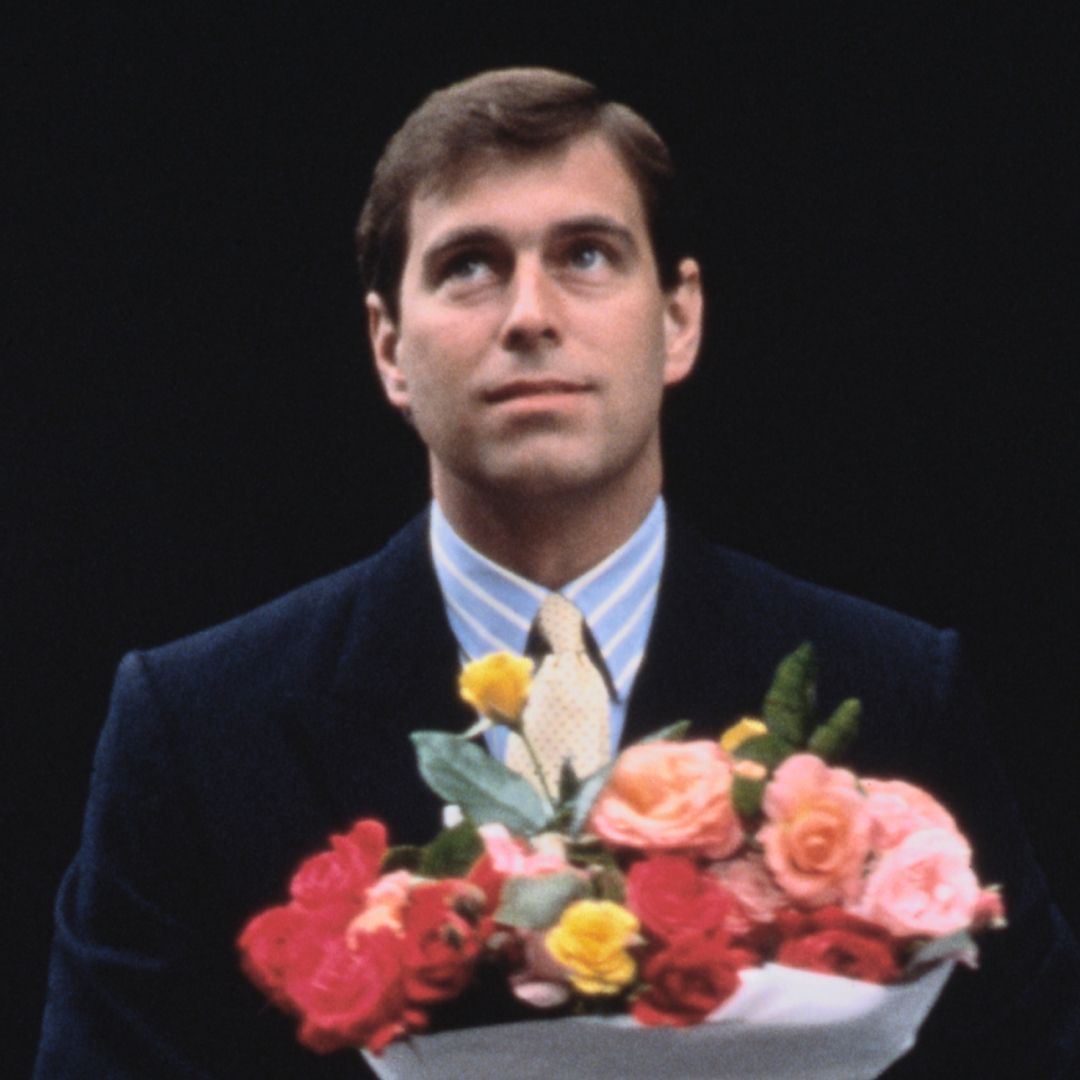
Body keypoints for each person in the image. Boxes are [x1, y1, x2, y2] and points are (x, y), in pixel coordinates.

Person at [36, 68, 1079, 1078]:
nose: (529, 313)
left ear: (678, 318)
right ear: (389, 347)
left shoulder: (896, 691)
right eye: (469, 266)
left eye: (585, 255)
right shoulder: (198, 728)